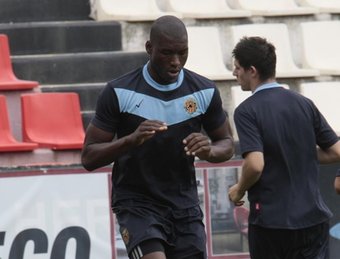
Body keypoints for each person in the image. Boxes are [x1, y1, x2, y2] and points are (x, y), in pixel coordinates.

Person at [81, 15, 234, 259]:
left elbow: (226, 144)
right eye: (167, 53)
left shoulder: (203, 91)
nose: (176, 62)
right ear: (149, 49)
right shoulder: (119, 92)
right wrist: (130, 140)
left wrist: (209, 151)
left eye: (182, 53)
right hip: (137, 204)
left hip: (185, 206)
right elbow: (88, 157)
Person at [228, 36, 340, 259]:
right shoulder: (303, 103)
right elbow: (336, 151)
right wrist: (298, 152)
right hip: (313, 220)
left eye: (237, 68)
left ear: (252, 71)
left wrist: (239, 189)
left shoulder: (246, 111)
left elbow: (255, 164)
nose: (234, 73)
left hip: (272, 223)